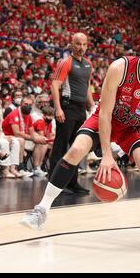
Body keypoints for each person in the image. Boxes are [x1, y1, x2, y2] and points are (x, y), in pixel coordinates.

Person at [20, 30, 140, 255]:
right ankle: (41, 210)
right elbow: (104, 113)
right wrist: (107, 155)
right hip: (106, 118)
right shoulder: (120, 68)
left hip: (133, 127)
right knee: (76, 149)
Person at [49, 32, 95, 194]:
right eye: (77, 44)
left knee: (78, 148)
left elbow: (87, 87)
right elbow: (55, 86)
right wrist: (58, 108)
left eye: (83, 44)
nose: (81, 47)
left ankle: (72, 183)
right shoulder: (65, 62)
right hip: (67, 107)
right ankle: (53, 184)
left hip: (81, 109)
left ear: (87, 45)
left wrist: (92, 105)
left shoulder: (89, 64)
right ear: (72, 44)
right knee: (60, 147)